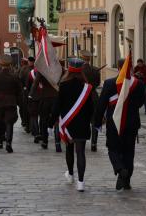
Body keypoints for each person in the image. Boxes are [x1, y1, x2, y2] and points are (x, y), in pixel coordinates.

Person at [94, 57, 146, 191]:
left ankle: (120, 169)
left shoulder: (110, 83)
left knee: (113, 149)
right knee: (129, 152)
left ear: (118, 68)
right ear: (130, 67)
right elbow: (141, 103)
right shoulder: (138, 84)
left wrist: (97, 121)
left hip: (114, 123)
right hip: (132, 123)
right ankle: (126, 180)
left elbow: (101, 104)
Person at [51, 58, 94, 192]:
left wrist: (51, 121)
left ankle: (70, 175)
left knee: (69, 150)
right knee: (80, 152)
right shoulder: (87, 87)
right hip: (82, 124)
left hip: (68, 123)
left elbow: (57, 105)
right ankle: (81, 182)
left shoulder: (64, 85)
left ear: (69, 70)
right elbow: (92, 108)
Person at [0, 55, 22, 153]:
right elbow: (19, 91)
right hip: (11, 103)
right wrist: (19, 103)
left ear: (0, 63)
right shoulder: (14, 76)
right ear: (10, 64)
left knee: (0, 122)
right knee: (9, 123)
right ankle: (9, 143)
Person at [34, 69, 61, 152]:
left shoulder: (42, 70)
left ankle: (45, 142)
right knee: (56, 121)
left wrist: (31, 95)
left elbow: (35, 83)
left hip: (45, 98)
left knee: (44, 120)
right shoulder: (59, 69)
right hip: (56, 97)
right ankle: (57, 143)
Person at [80, 50, 101, 152]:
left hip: (82, 97)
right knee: (94, 121)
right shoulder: (95, 70)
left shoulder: (79, 70)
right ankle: (94, 143)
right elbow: (97, 83)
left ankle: (82, 142)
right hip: (93, 96)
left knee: (82, 120)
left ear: (82, 58)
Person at [17, 58, 31, 131]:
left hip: (23, 92)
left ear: (22, 63)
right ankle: (28, 124)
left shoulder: (22, 70)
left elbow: (18, 80)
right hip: (31, 92)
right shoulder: (32, 69)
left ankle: (24, 122)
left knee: (23, 109)